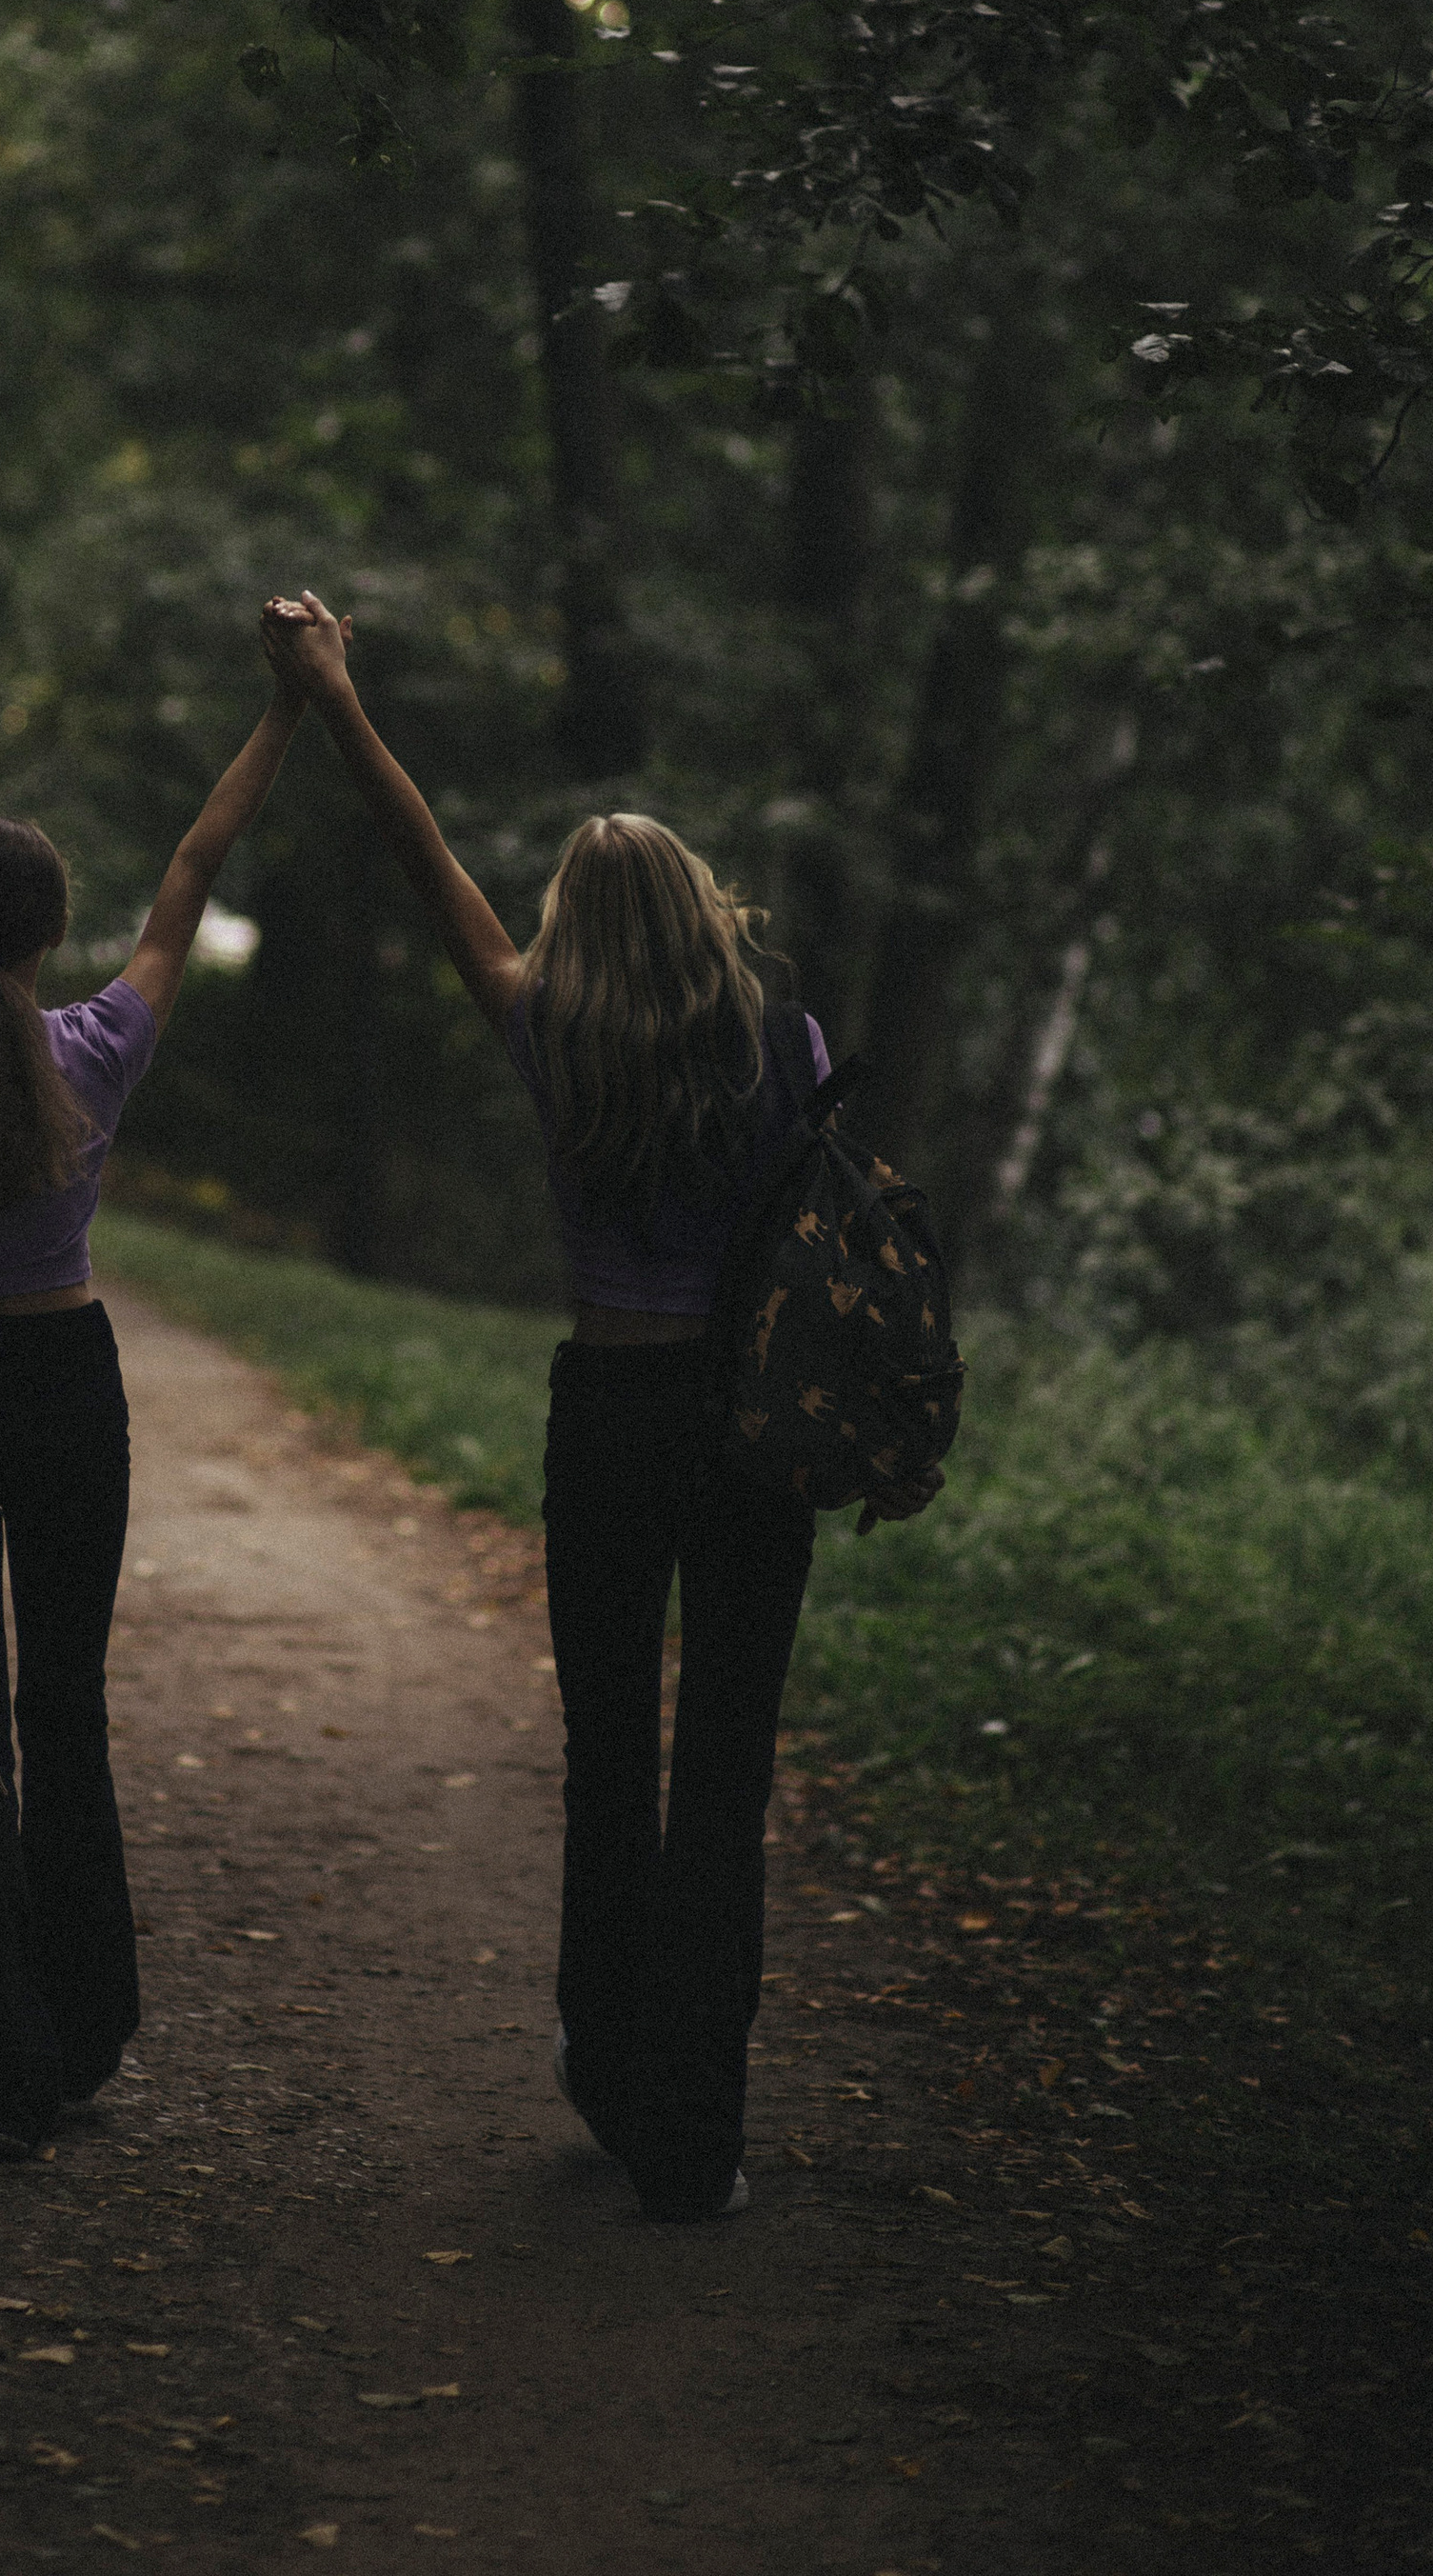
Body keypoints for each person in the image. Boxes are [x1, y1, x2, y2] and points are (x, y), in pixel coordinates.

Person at [256, 588, 923, 2227]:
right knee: (730, 1769)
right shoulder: (790, 1043)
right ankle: (699, 2127)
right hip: (753, 1430)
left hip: (610, 1420)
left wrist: (336, 697)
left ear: (576, 918)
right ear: (703, 912)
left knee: (611, 1755)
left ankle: (614, 2074)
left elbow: (431, 871)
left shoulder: (546, 1030)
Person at [0, 673, 308, 2160]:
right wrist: (285, 714)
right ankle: (83, 2025)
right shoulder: (94, 1049)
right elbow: (191, 876)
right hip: (66, 1388)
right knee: (67, 1710)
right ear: (41, 934)